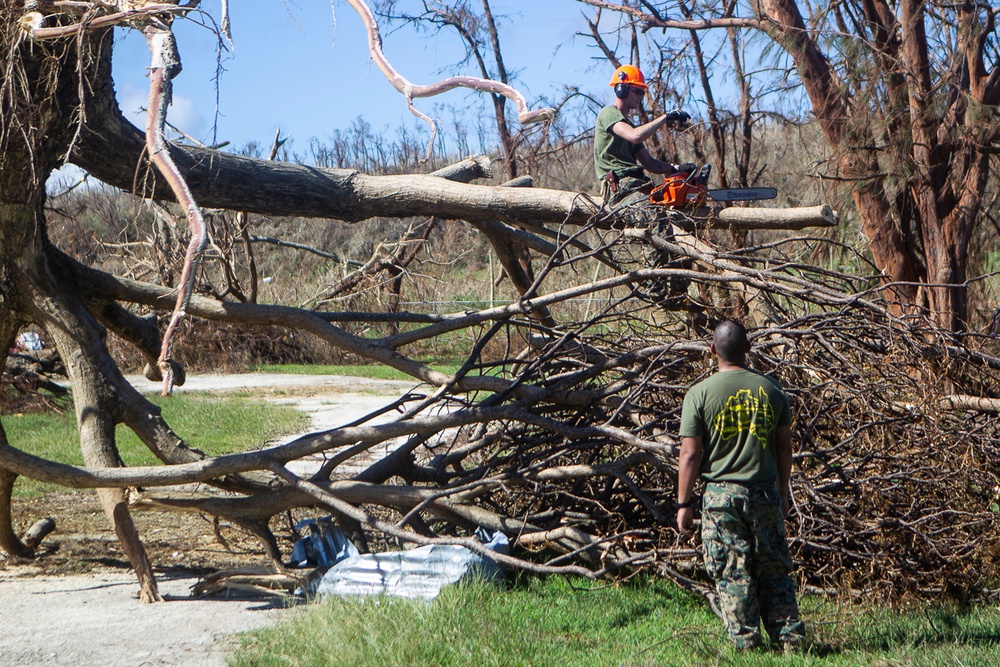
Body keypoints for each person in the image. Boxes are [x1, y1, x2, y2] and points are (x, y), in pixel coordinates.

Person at [676, 320, 806, 651]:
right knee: (774, 567)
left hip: (720, 498)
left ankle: (746, 645)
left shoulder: (699, 394)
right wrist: (783, 490)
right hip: (764, 492)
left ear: (712, 350)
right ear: (748, 349)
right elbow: (784, 448)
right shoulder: (772, 390)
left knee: (733, 573)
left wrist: (683, 504)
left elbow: (690, 455)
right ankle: (790, 641)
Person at [594, 64, 692, 211]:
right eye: (637, 91)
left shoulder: (629, 125)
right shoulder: (608, 113)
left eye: (642, 92)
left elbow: (650, 163)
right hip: (620, 186)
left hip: (636, 184)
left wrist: (676, 168)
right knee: (653, 217)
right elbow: (635, 136)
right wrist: (665, 117)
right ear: (622, 88)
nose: (640, 97)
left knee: (673, 202)